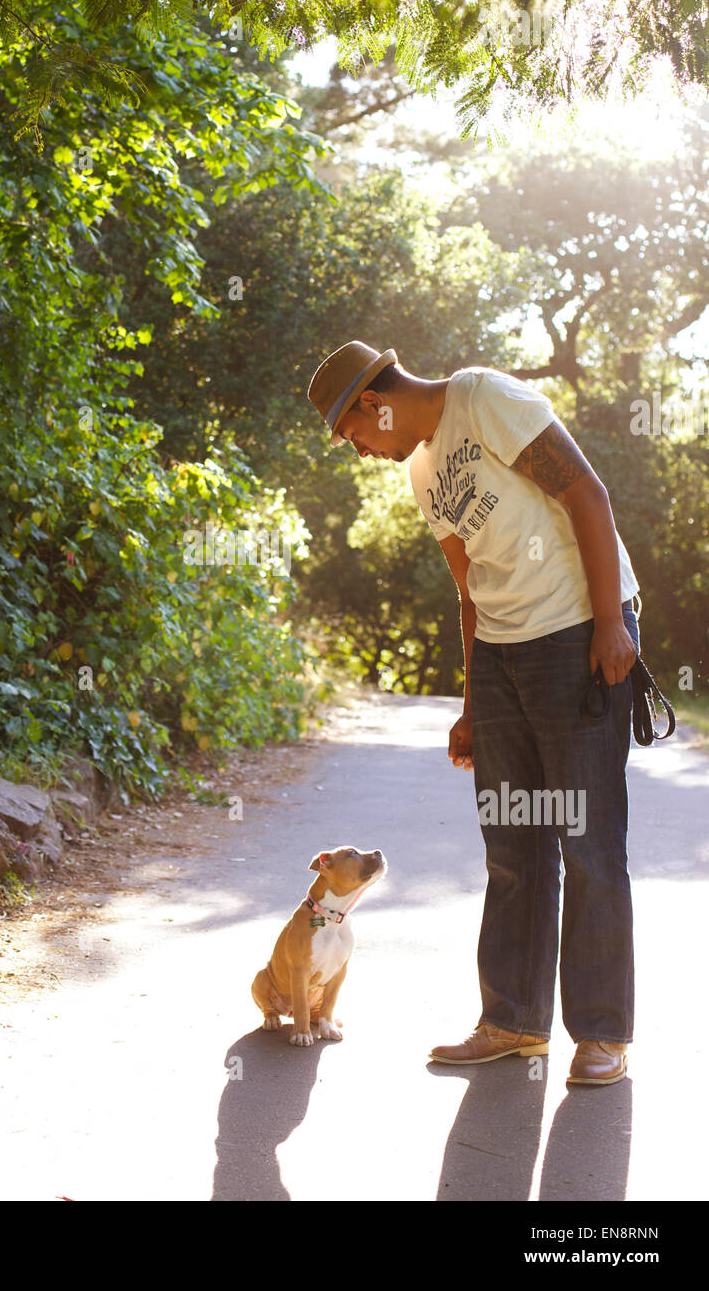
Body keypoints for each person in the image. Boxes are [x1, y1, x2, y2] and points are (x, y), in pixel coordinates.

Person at [307, 339, 641, 1085]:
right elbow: (469, 588)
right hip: (501, 655)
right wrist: (472, 699)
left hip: (573, 634)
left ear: (372, 402)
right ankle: (512, 1022)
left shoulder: (483, 397)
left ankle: (599, 1033)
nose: (357, 450)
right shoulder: (423, 469)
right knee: (513, 846)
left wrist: (609, 620)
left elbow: (585, 493)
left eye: (350, 433)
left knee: (586, 842)